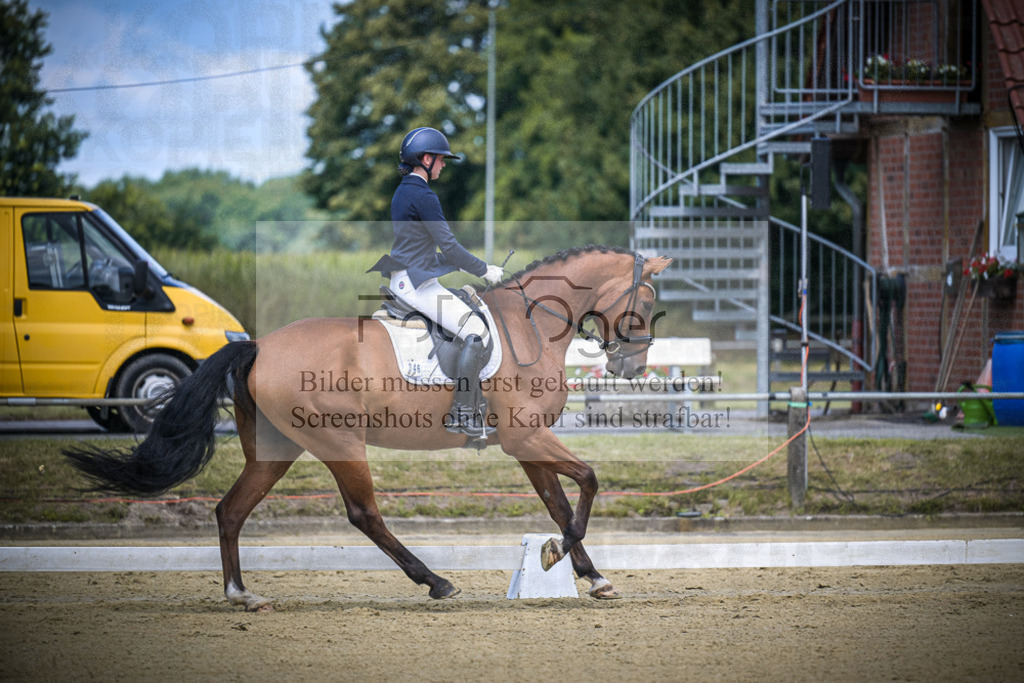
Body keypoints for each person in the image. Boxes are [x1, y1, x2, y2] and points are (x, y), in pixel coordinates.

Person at [368, 126, 504, 438]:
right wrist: (484, 270)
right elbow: (451, 247)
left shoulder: (403, 191)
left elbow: (422, 248)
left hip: (408, 277)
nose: (443, 165)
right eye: (441, 159)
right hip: (417, 284)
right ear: (426, 159)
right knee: (476, 332)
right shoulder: (424, 195)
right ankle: (462, 413)